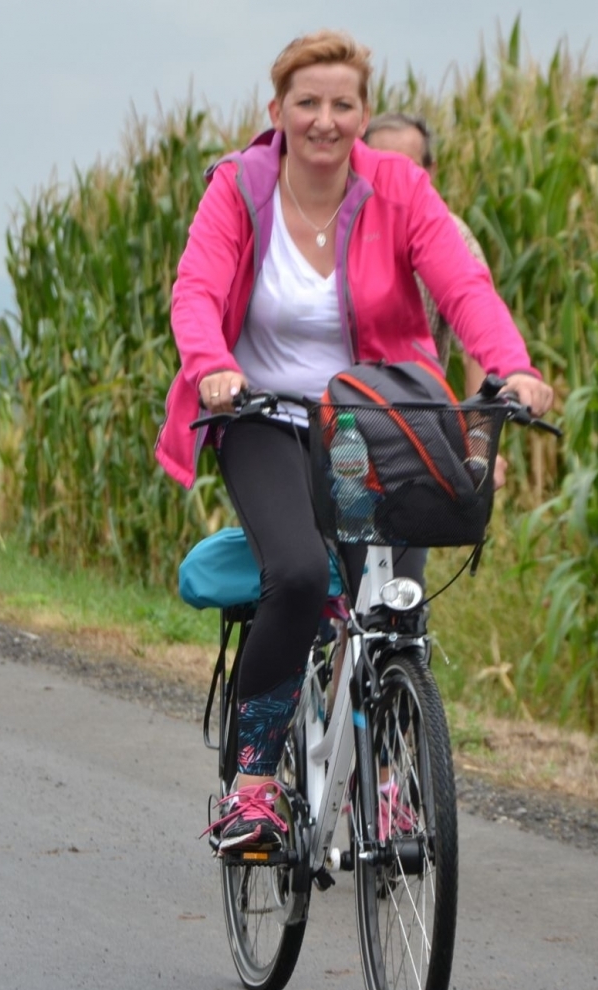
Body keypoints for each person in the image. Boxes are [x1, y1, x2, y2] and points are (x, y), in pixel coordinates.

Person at [159, 30, 556, 852]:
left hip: (372, 424)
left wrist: (509, 367)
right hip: (263, 414)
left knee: (392, 611)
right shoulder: (239, 188)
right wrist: (212, 367)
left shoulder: (399, 189)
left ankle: (390, 788)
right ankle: (255, 785)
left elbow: (462, 283)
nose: (326, 120)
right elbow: (197, 289)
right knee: (300, 577)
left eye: (343, 104)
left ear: (363, 113)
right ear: (277, 112)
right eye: (308, 102)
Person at [362, 112, 491, 398]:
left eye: (408, 167)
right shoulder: (333, 229)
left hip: (419, 413)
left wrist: (477, 436)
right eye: (380, 166)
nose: (394, 178)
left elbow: (478, 345)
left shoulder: (453, 234)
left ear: (431, 171)